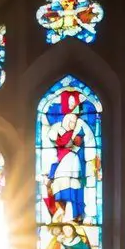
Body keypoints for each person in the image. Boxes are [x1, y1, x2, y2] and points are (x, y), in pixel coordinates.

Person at [45, 90, 87, 220]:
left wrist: (73, 140)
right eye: (69, 120)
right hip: (60, 159)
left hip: (72, 160)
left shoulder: (80, 128)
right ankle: (61, 215)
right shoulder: (58, 127)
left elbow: (77, 143)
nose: (72, 123)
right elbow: (54, 138)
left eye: (74, 121)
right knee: (58, 185)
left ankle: (72, 215)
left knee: (72, 187)